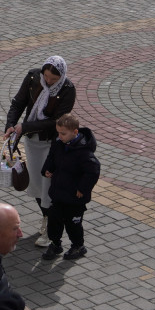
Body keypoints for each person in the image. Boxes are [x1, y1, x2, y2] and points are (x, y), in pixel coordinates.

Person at [4, 56, 76, 246]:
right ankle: (47, 218)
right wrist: (10, 124)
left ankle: (52, 229)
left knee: (49, 186)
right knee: (36, 183)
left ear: (62, 76)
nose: (49, 81)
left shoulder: (68, 89)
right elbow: (18, 102)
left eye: (54, 79)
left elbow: (57, 122)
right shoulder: (33, 77)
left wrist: (25, 127)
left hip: (52, 143)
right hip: (32, 140)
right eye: (46, 76)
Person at [40, 112, 101, 262]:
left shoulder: (84, 152)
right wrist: (48, 168)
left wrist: (82, 189)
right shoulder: (58, 144)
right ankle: (55, 244)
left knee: (73, 224)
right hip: (58, 193)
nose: (59, 136)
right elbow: (51, 157)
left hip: (75, 197)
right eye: (58, 133)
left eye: (63, 133)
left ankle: (78, 246)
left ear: (75, 132)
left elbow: (93, 171)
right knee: (54, 220)